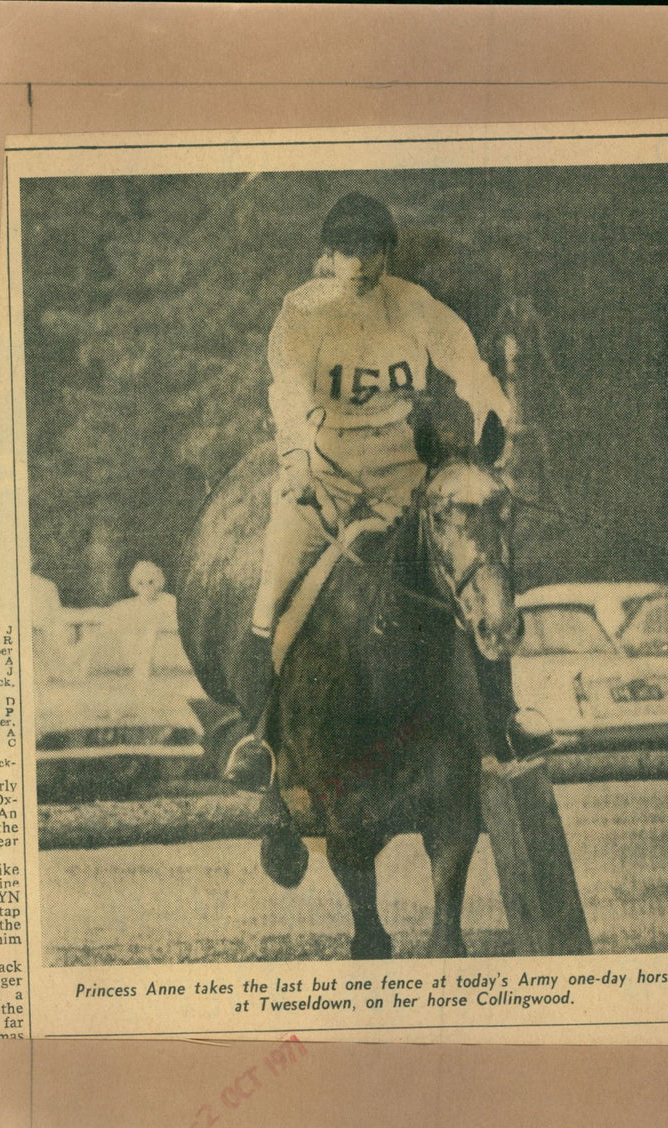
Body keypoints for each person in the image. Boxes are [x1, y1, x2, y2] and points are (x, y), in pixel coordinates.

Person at [226, 192, 554, 795]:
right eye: (347, 250)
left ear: (387, 253)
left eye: (372, 250)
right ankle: (259, 739)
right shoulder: (302, 313)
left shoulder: (413, 306)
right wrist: (296, 463)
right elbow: (289, 392)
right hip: (322, 477)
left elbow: (468, 365)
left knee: (473, 566)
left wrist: (494, 412)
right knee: (272, 591)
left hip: (401, 479)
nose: (360, 263)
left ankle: (505, 718)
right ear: (327, 255)